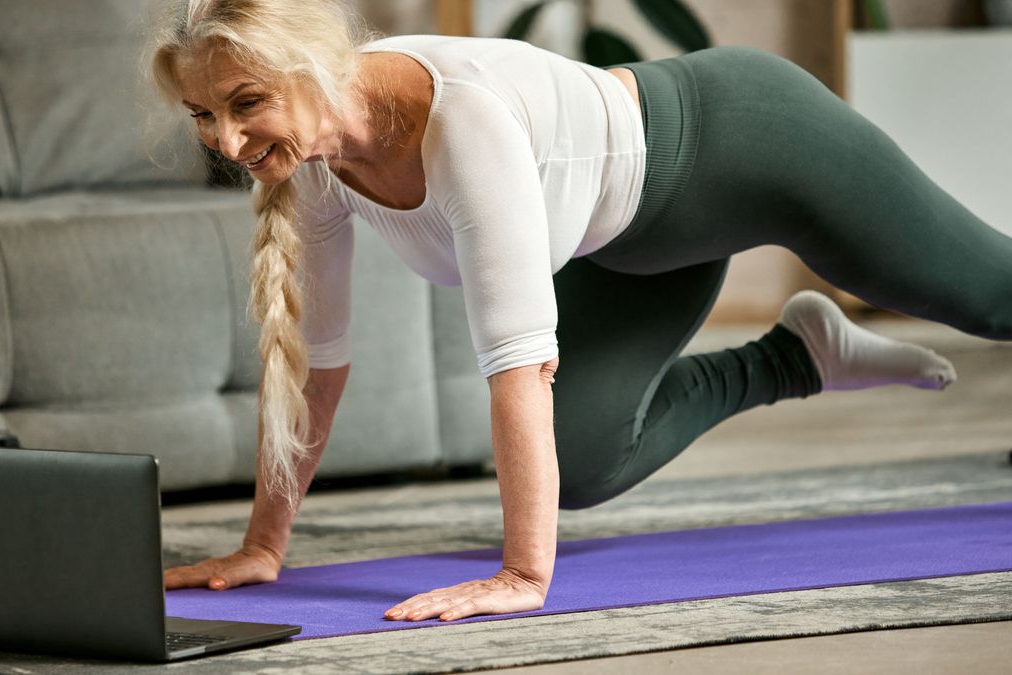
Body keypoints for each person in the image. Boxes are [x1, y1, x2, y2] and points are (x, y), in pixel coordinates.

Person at [152, 0, 1012, 624]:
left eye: (244, 104)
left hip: (747, 142)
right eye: (203, 115)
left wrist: (522, 573)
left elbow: (517, 364)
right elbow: (318, 367)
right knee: (588, 461)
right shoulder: (308, 164)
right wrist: (264, 544)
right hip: (628, 243)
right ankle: (799, 356)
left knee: (989, 294)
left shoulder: (461, 125)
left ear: (308, 72)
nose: (226, 143)